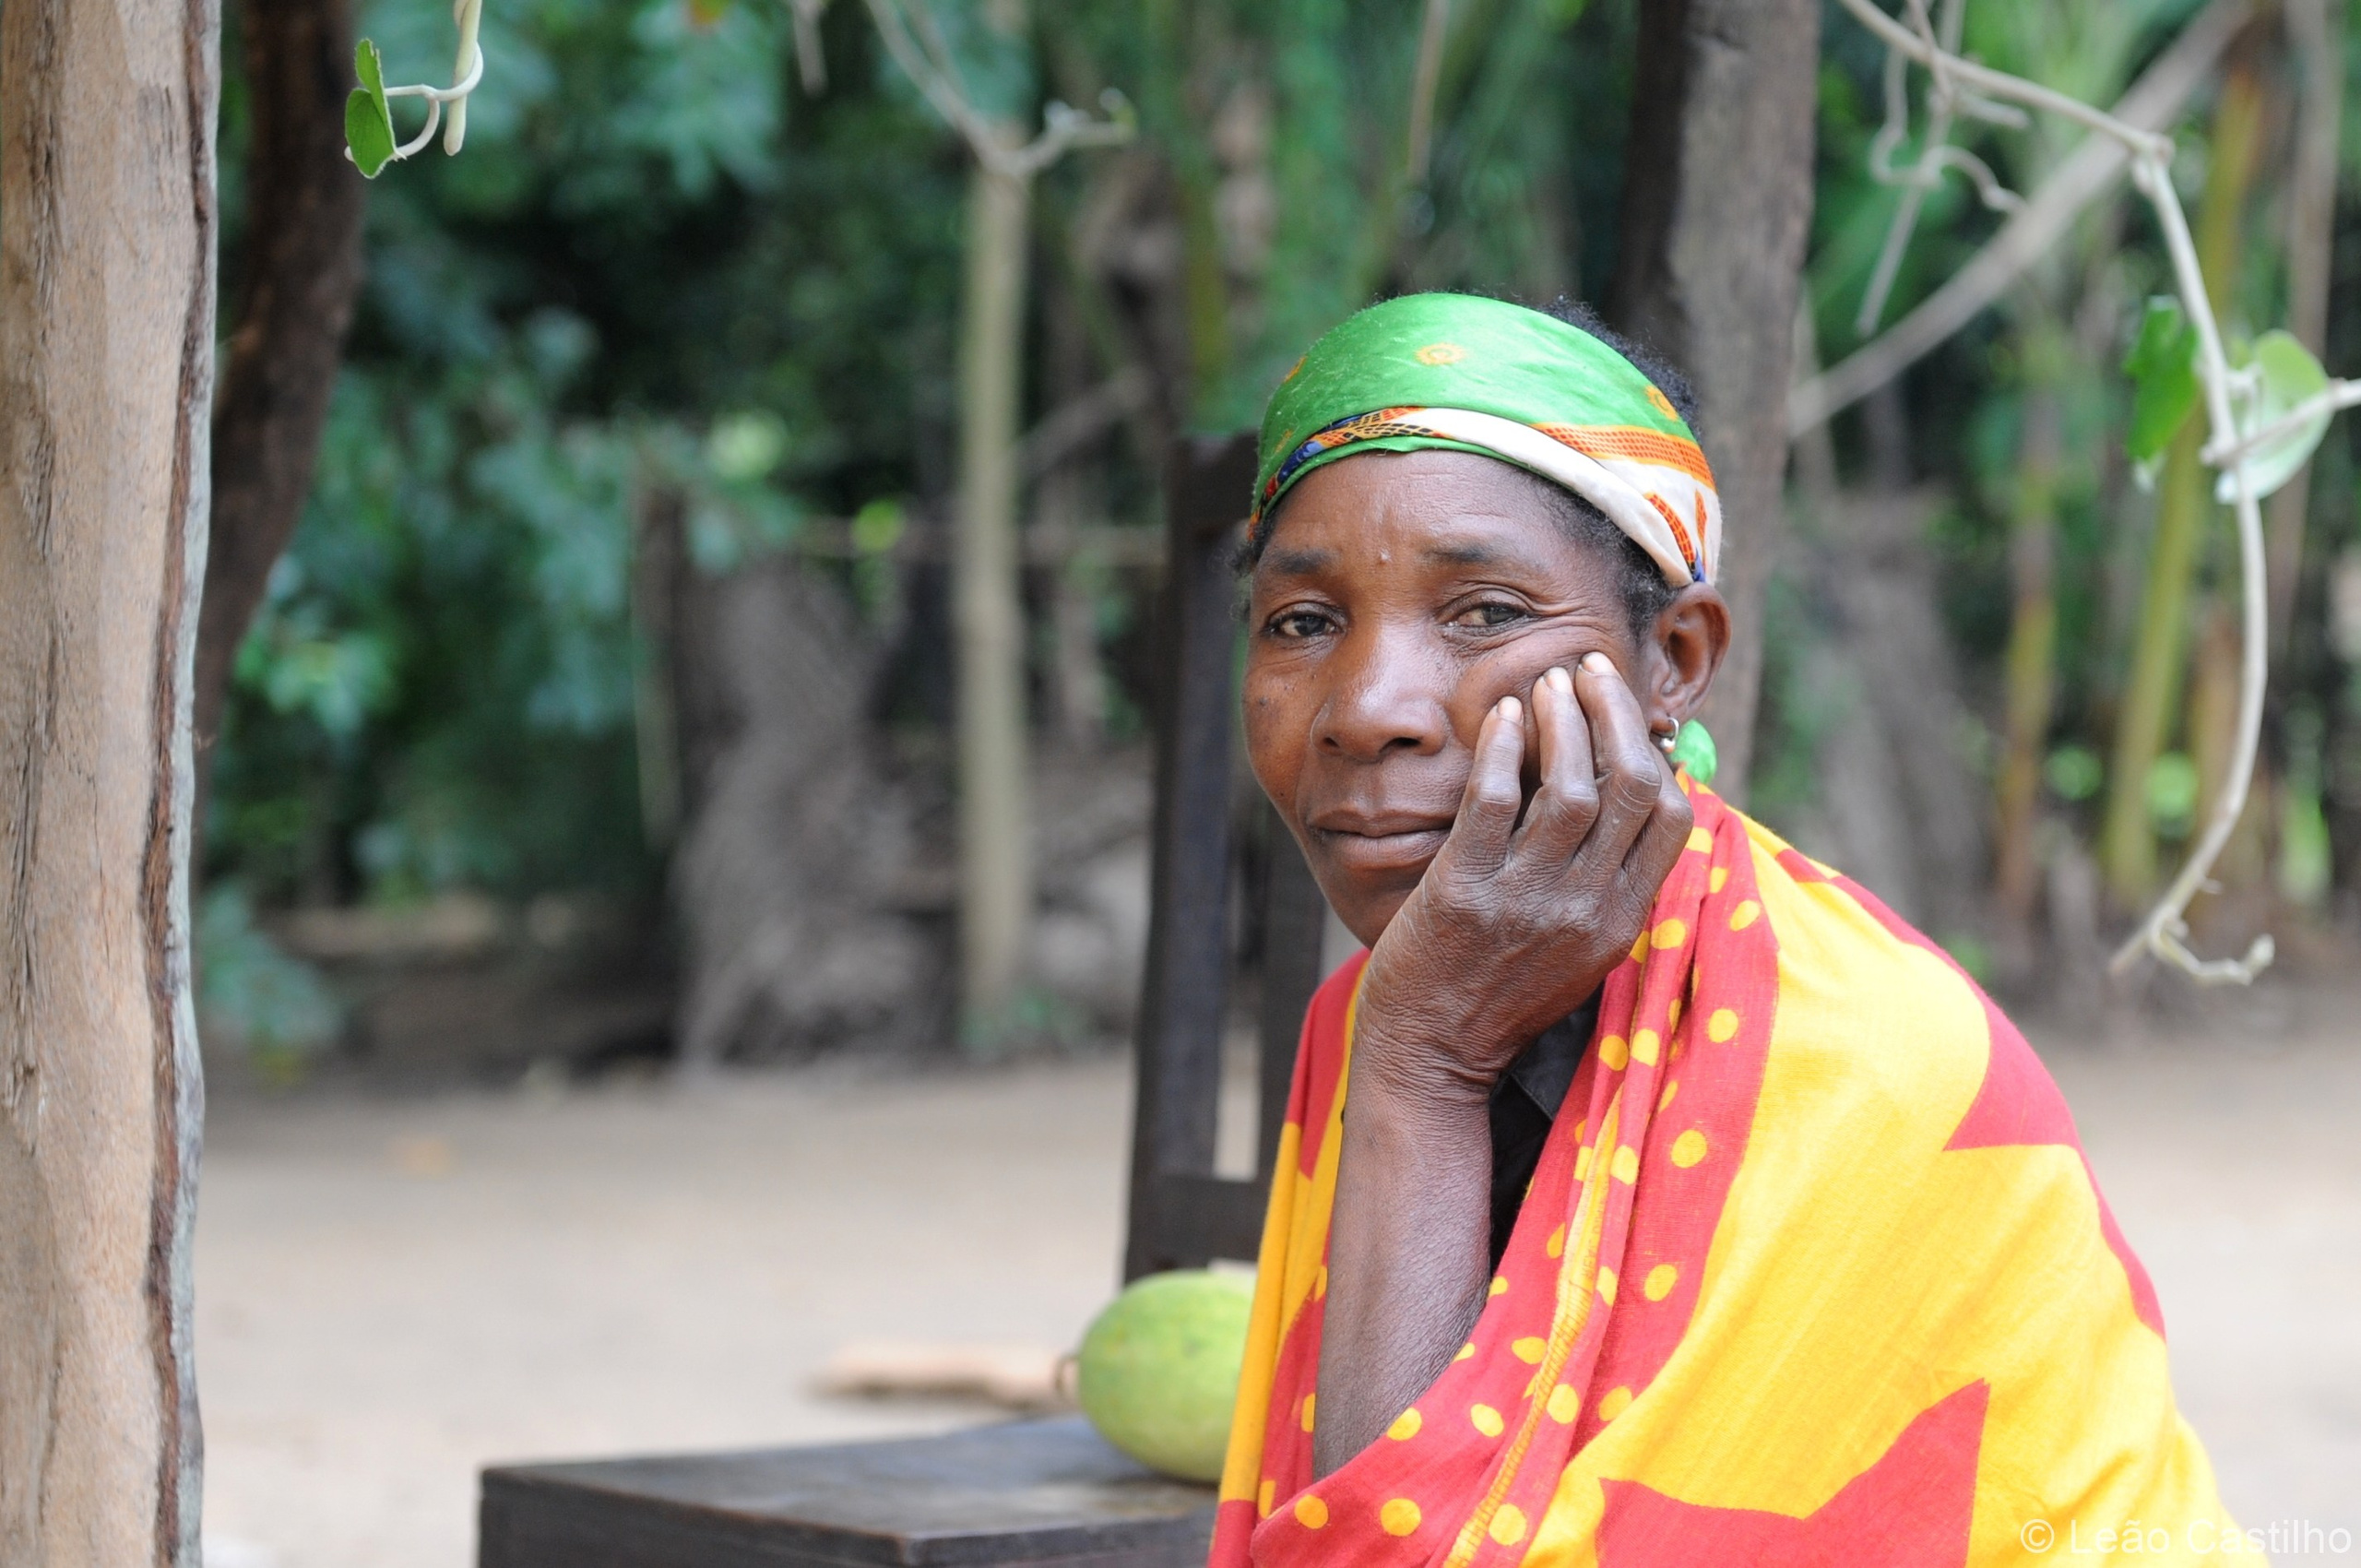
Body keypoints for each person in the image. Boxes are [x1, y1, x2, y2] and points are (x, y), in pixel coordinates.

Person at [1208, 293, 2253, 1566]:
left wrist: (1424, 1059)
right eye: (1303, 624)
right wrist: (1417, 1047)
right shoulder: (1380, 1010)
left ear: (1675, 662)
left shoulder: (1869, 1067)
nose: (1368, 709)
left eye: (1484, 612)